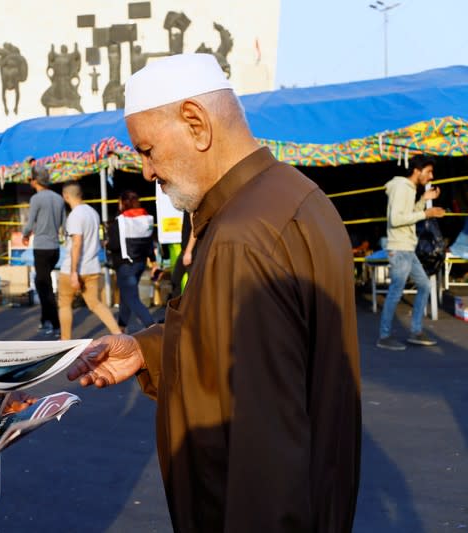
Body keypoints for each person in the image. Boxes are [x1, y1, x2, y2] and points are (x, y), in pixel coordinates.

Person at [67, 54, 361, 532]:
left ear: (195, 123)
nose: (146, 172)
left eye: (147, 150)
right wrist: (145, 351)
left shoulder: (242, 235)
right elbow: (227, 344)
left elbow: (265, 442)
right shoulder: (293, 194)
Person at [377, 154, 446, 350]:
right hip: (399, 248)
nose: (431, 176)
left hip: (407, 247)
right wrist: (426, 213)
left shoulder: (409, 189)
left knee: (424, 285)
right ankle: (384, 335)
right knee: (396, 292)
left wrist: (424, 200)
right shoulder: (401, 187)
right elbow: (396, 219)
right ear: (417, 170)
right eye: (429, 171)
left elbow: (407, 215)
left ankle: (416, 331)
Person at [57, 182, 121, 340]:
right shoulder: (93, 212)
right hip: (93, 267)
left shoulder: (75, 215)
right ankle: (118, 333)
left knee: (64, 304)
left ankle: (65, 341)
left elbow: (77, 243)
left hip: (74, 269)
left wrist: (73, 272)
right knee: (95, 303)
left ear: (66, 196)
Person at [21, 164, 65, 336]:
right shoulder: (59, 198)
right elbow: (63, 223)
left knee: (44, 287)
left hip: (41, 247)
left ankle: (55, 324)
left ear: (35, 180)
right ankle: (44, 320)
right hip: (55, 247)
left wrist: (25, 235)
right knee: (42, 284)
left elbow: (30, 223)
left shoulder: (36, 199)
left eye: (30, 179)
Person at [105, 190, 155, 333]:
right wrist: (153, 260)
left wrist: (106, 244)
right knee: (126, 297)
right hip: (140, 262)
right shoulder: (145, 218)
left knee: (132, 298)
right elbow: (149, 242)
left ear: (123, 202)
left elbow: (114, 245)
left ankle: (153, 328)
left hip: (125, 265)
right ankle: (121, 328)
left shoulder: (119, 221)